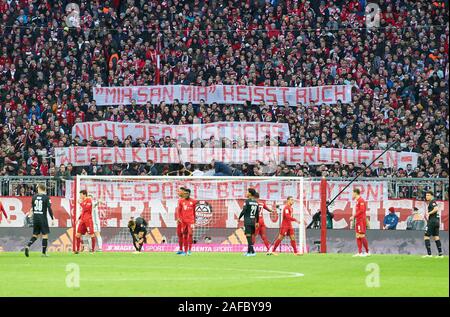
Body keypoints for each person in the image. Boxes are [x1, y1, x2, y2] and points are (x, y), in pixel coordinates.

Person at [24, 184, 54, 257]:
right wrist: (52, 218)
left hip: (36, 218)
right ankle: (43, 253)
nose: (37, 189)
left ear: (40, 188)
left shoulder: (34, 197)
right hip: (42, 218)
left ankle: (28, 246)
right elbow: (49, 209)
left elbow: (32, 208)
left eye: (37, 188)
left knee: (35, 235)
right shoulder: (46, 197)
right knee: (45, 235)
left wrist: (30, 215)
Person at [175, 187, 197, 256]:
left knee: (190, 234)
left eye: (187, 193)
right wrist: (178, 218)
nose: (185, 194)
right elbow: (179, 210)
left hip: (191, 221)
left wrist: (194, 220)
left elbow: (194, 211)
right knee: (184, 235)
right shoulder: (181, 201)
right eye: (184, 193)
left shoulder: (193, 201)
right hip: (183, 221)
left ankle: (189, 250)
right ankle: (184, 251)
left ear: (189, 194)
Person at [238, 188, 260, 256]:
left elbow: (244, 210)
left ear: (250, 194)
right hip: (253, 221)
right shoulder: (256, 203)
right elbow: (257, 213)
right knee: (250, 237)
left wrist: (239, 217)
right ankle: (249, 252)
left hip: (247, 221)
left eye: (247, 192)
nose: (246, 193)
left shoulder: (247, 201)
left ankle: (252, 252)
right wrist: (257, 222)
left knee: (248, 237)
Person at [74, 190, 96, 254]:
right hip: (82, 220)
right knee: (77, 235)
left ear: (84, 195)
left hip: (88, 220)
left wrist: (80, 203)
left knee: (91, 234)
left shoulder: (89, 200)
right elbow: (83, 211)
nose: (80, 196)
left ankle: (93, 250)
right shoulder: (83, 201)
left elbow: (86, 208)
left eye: (81, 195)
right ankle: (77, 250)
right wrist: (78, 219)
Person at [349, 189, 370, 257]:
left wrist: (353, 216)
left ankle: (367, 251)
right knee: (358, 236)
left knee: (361, 235)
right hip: (358, 220)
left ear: (355, 193)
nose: (352, 194)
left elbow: (362, 210)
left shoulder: (361, 200)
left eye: (353, 193)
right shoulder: (357, 201)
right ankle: (360, 252)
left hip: (361, 220)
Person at [423, 191, 443, 258]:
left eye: (428, 195)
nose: (427, 196)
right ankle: (440, 254)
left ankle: (429, 254)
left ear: (431, 196)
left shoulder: (432, 202)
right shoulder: (432, 202)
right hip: (437, 221)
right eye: (426, 195)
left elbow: (436, 209)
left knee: (426, 236)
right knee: (436, 236)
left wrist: (429, 213)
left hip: (432, 221)